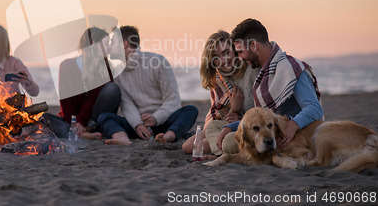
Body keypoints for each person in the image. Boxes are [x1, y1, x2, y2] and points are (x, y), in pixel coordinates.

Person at [216, 18, 323, 153]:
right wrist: (229, 127)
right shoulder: (263, 75)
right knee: (230, 136)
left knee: (230, 143)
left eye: (240, 51)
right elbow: (261, 120)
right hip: (271, 134)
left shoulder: (289, 68)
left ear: (254, 45)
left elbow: (315, 108)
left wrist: (293, 125)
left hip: (296, 135)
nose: (240, 58)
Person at [98, 26, 198, 145]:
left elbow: (173, 100)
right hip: (139, 127)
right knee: (105, 117)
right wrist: (137, 124)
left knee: (191, 110)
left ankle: (168, 137)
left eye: (112, 42)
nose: (108, 46)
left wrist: (155, 118)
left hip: (164, 121)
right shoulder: (117, 72)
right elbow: (126, 104)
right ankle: (122, 138)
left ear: (124, 44)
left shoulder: (157, 61)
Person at [181, 30, 259, 158]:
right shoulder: (218, 76)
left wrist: (236, 113)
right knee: (187, 146)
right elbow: (217, 109)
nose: (223, 60)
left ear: (234, 49)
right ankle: (219, 147)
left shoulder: (249, 71)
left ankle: (220, 154)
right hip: (222, 120)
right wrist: (234, 110)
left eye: (226, 53)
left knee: (196, 146)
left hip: (242, 123)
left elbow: (259, 108)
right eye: (216, 57)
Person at [46, 27, 122, 140]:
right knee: (41, 118)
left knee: (112, 89)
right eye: (106, 43)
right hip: (70, 121)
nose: (109, 47)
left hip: (93, 121)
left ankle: (85, 132)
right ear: (94, 44)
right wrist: (74, 123)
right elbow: (65, 98)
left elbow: (92, 99)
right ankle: (78, 133)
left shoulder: (105, 69)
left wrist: (82, 123)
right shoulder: (66, 65)